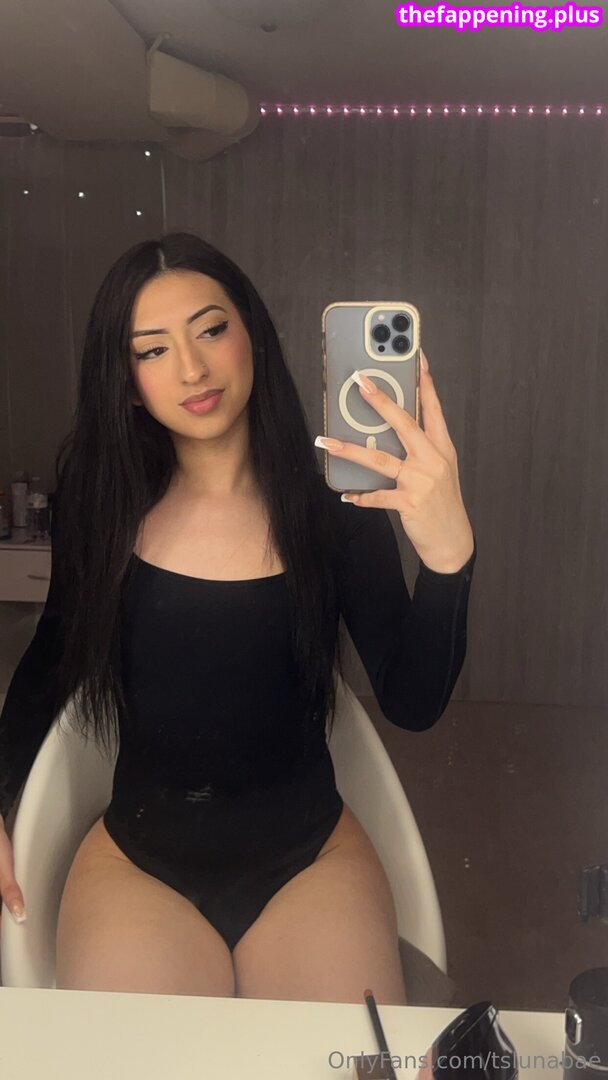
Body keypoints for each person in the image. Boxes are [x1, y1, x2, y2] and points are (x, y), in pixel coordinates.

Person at [0, 232, 476, 1003]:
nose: (191, 368)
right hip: (138, 865)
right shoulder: (103, 504)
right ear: (127, 383)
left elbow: (413, 702)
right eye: (152, 350)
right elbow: (52, 661)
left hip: (310, 860)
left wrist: (450, 558)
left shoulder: (337, 508)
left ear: (252, 332)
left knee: (339, 1058)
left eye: (211, 329)